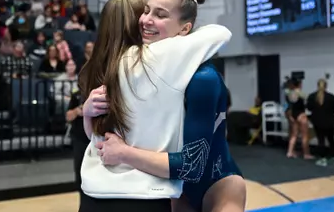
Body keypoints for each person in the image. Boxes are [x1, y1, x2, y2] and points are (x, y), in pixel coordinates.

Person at [79, 0, 231, 212]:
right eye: (145, 11)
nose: (147, 20)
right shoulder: (162, 56)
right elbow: (221, 33)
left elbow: (96, 139)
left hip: (94, 191)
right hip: (143, 194)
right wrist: (187, 5)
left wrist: (86, 113)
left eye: (159, 14)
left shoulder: (105, 66)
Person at [92, 61, 245, 212]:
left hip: (218, 182)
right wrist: (87, 113)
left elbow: (193, 166)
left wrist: (123, 153)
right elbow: (100, 143)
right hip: (175, 187)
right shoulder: (145, 77)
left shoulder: (203, 77)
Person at [307, 79, 334, 167]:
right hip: (330, 121)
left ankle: (323, 159)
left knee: (321, 140)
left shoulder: (312, 96)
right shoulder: (332, 97)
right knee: (331, 139)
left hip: (318, 121)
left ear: (317, 86)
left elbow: (309, 108)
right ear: (326, 86)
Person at [286, 79, 313, 159]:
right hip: (301, 114)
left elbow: (289, 105)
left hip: (293, 115)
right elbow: (307, 101)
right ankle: (306, 154)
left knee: (294, 135)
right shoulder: (301, 93)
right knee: (305, 136)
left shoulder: (289, 93)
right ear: (299, 84)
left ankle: (290, 152)